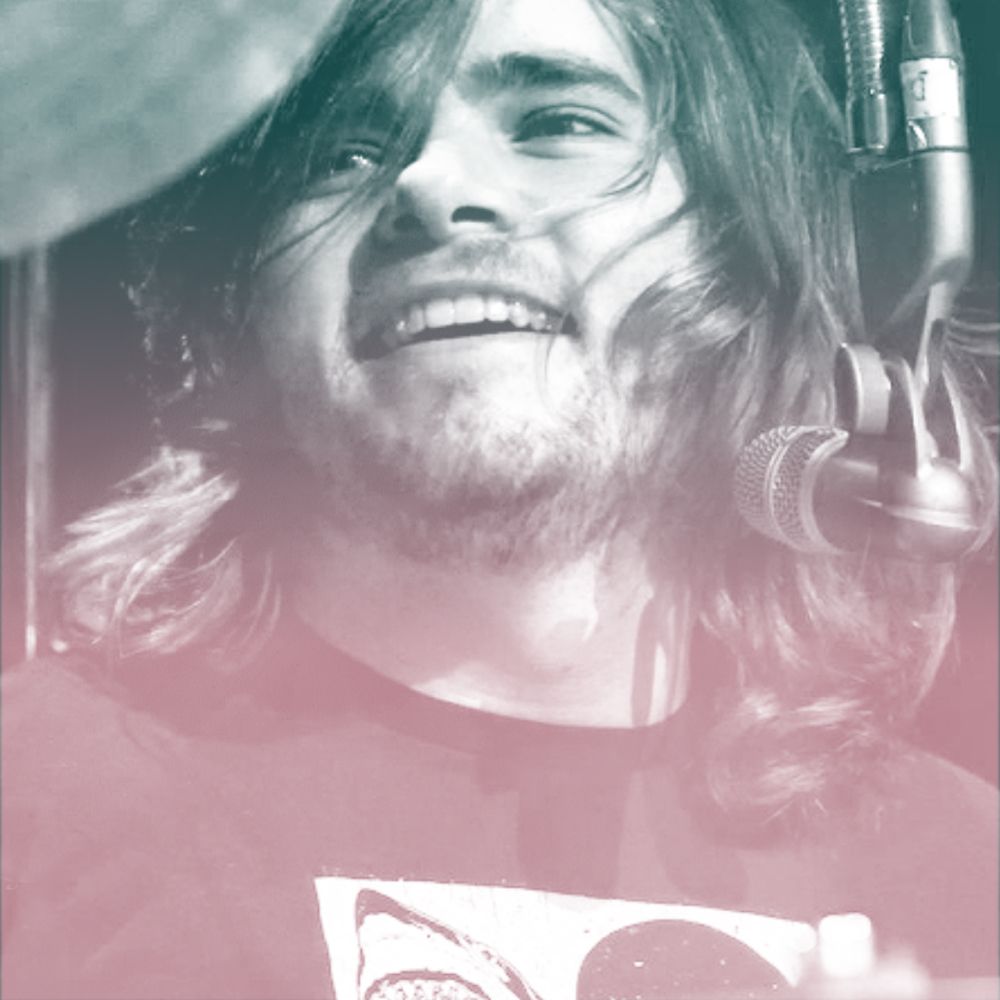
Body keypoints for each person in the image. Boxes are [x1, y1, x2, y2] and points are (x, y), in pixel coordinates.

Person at [2, 0, 996, 997]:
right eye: (343, 153)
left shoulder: (970, 877)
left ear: (748, 260)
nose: (430, 184)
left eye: (558, 124)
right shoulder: (31, 798)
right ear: (244, 311)